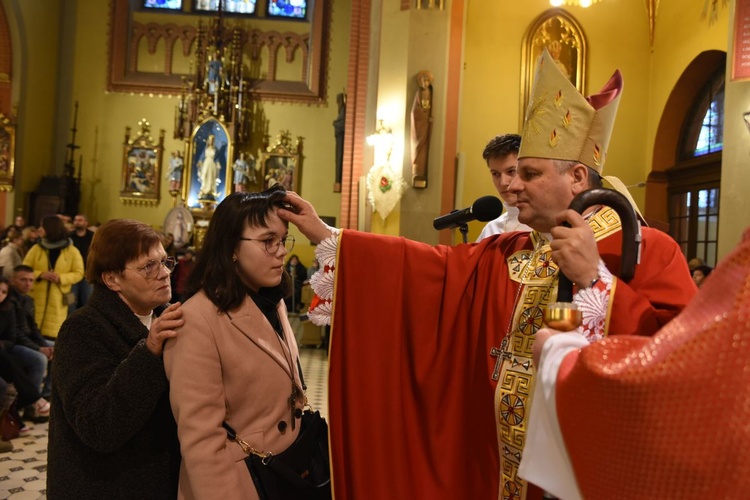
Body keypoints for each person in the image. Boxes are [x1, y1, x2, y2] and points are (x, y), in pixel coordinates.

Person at [276, 49, 696, 500]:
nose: (511, 185)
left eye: (528, 173)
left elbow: (683, 365)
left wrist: (598, 280)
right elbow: (424, 270)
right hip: (497, 469)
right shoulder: (508, 251)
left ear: (577, 177)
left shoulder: (646, 250)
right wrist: (327, 234)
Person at [521, 226, 750, 499]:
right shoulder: (513, 243)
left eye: (531, 178)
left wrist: (559, 357)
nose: (510, 185)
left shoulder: (652, 245)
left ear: (576, 179)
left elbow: (690, 373)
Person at [164, 186, 314, 499]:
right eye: (267, 241)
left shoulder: (271, 300)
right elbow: (202, 440)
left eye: (282, 239)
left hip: (285, 470)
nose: (281, 251)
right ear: (231, 247)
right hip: (243, 481)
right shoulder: (197, 320)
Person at [46, 219, 183, 498]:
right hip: (105, 486)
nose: (165, 273)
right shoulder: (82, 329)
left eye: (165, 261)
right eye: (149, 266)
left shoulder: (166, 318)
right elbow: (98, 426)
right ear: (112, 279)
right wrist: (149, 351)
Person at [22, 215, 84, 340]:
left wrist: (61, 278)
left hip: (59, 298)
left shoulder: (72, 251)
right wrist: (40, 274)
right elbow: (24, 269)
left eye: (42, 227)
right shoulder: (36, 248)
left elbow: (79, 273)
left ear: (50, 229)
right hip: (36, 297)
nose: (39, 229)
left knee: (52, 337)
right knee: (32, 332)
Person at [0, 274, 51, 421]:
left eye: (3, 292)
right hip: (9, 351)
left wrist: (41, 345)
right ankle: (34, 400)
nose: (0, 295)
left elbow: (12, 338)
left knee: (57, 349)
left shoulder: (8, 309)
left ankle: (38, 398)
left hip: (6, 348)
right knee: (14, 361)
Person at [11, 264, 55, 401]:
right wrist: (39, 349)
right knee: (39, 359)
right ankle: (31, 402)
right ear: (12, 280)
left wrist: (44, 345)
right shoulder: (8, 299)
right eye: (23, 280)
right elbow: (15, 334)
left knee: (59, 348)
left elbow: (34, 328)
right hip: (13, 343)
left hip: (27, 339)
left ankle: (47, 393)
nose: (28, 284)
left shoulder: (28, 299)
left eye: (31, 280)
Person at [476, 134, 532, 241]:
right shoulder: (491, 229)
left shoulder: (546, 224)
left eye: (511, 171)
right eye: (495, 174)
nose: (503, 183)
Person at [410, 70, 433, 187]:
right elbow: (416, 111)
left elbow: (426, 108)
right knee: (417, 147)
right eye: (424, 81)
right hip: (419, 125)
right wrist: (425, 116)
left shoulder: (428, 92)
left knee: (422, 148)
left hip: (424, 124)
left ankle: (420, 171)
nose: (425, 83)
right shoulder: (421, 93)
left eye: (427, 80)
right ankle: (416, 171)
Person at [69, 214, 95, 311]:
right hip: (72, 273)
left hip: (86, 274)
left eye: (80, 220)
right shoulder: (69, 237)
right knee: (71, 302)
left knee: (87, 301)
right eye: (75, 220)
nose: (77, 222)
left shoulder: (92, 236)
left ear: (86, 222)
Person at [198, 134, 220, 199]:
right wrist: (200, 162)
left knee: (211, 177)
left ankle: (211, 191)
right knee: (205, 176)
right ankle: (204, 190)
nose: (211, 142)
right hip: (206, 163)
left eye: (212, 140)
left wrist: (218, 164)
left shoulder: (215, 149)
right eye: (210, 140)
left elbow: (216, 158)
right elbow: (202, 156)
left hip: (212, 164)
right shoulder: (206, 148)